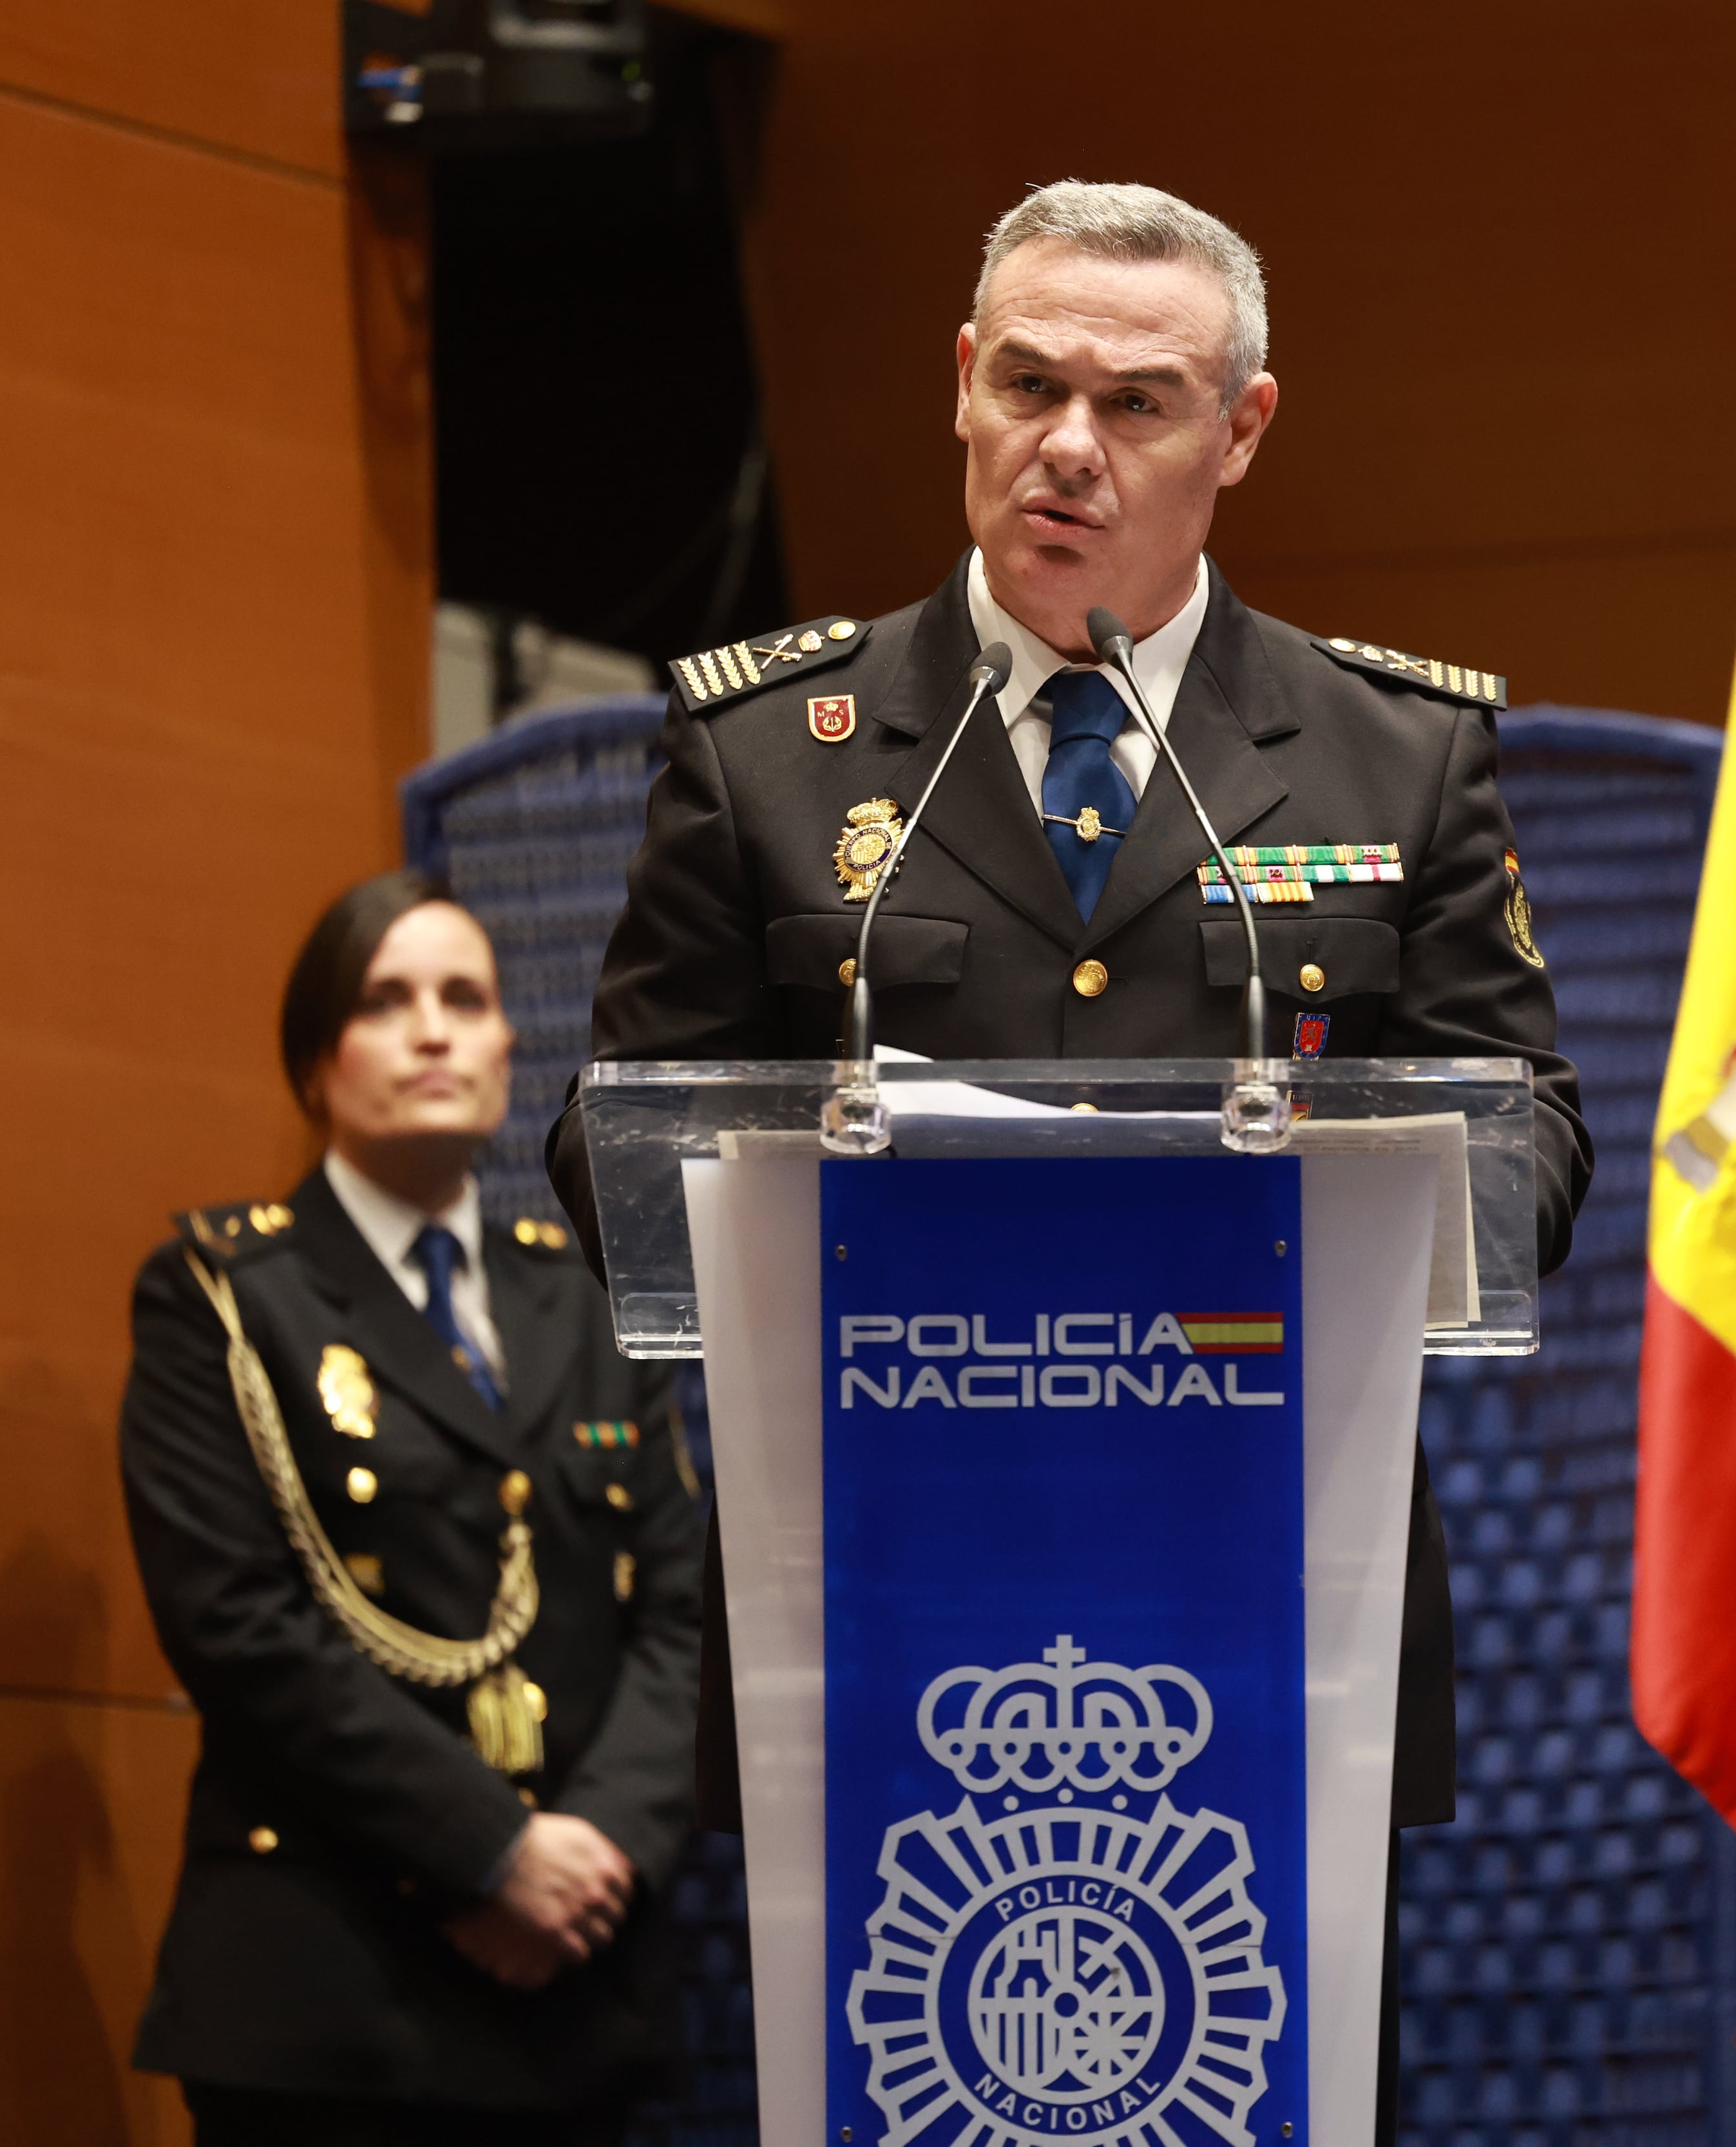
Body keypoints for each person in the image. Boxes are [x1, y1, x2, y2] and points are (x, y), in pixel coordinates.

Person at [547, 180, 1590, 2139]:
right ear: (961, 385)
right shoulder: (773, 752)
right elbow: (612, 1153)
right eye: (1028, 383)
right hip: (864, 1596)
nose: (1069, 446)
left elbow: (1525, 1136)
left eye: (1137, 401)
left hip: (1278, 1598)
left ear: (1245, 431)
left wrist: (1308, 1189)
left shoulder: (1390, 757)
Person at [121, 871, 704, 2146]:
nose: (434, 1029)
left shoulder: (590, 1295)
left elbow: (679, 1619)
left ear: (509, 1045)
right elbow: (240, 1628)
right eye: (388, 1000)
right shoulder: (225, 1293)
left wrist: (594, 1846)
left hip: (579, 1996)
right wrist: (492, 1851)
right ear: (316, 1058)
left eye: (464, 998)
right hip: (329, 1989)